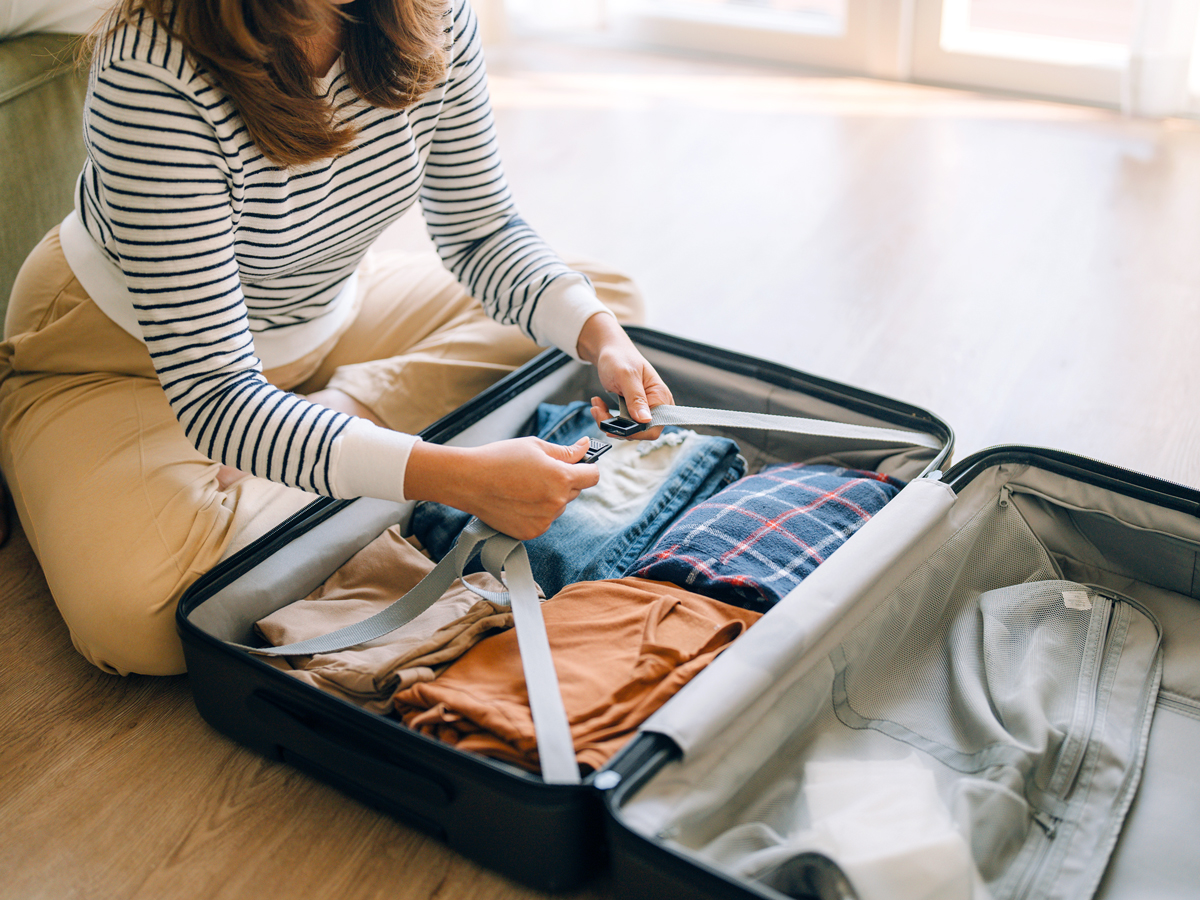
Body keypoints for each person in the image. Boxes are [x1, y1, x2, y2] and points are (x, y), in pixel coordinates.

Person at [0, 0, 672, 677]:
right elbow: (216, 395)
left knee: (603, 304)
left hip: (322, 310)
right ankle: (327, 448)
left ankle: (341, 420)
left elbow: (480, 229)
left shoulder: (430, 10)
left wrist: (602, 339)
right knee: (140, 621)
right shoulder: (151, 69)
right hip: (125, 357)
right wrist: (454, 478)